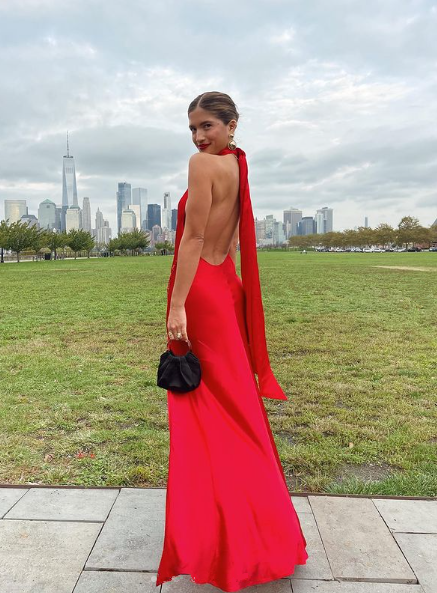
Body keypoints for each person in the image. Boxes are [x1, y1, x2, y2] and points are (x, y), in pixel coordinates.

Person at [156, 91, 308, 592]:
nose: (200, 137)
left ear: (231, 124)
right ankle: (259, 534)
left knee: (206, 417)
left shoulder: (204, 165)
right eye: (193, 129)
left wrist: (177, 304)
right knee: (237, 414)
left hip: (201, 291)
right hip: (226, 290)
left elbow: (194, 239)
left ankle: (224, 539)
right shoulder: (240, 166)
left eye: (208, 126)